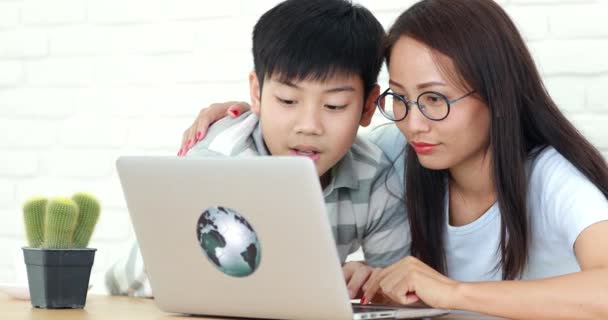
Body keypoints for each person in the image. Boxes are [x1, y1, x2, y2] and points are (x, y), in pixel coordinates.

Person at [181, 0, 608, 318]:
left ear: (498, 95)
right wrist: (248, 116)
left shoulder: (552, 178)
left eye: (435, 99)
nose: (414, 123)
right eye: (400, 99)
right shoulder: (396, 154)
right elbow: (316, 132)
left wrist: (454, 292)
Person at [106, 0, 410, 298]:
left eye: (334, 105)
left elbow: (399, 286)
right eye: (288, 101)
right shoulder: (219, 160)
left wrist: (376, 280)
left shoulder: (374, 174)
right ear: (257, 92)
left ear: (368, 106)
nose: (309, 125)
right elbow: (129, 280)